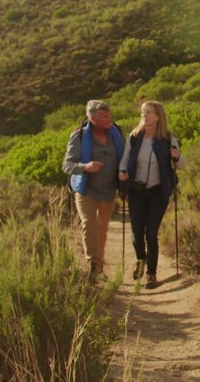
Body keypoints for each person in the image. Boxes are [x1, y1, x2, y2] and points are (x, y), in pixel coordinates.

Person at [118, 101, 184, 289]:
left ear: (158, 116)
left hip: (157, 192)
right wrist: (122, 171)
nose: (144, 116)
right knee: (136, 234)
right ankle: (141, 259)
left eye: (148, 112)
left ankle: (151, 274)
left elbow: (181, 165)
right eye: (143, 112)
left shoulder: (168, 138)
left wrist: (177, 156)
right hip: (137, 191)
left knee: (151, 233)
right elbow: (125, 160)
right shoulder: (134, 136)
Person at [62, 100, 125, 283]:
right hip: (86, 190)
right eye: (105, 117)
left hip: (108, 191)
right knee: (89, 224)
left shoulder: (117, 133)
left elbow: (126, 156)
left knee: (102, 229)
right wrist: (85, 166)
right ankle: (93, 266)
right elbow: (67, 165)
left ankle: (99, 263)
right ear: (93, 118)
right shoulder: (79, 136)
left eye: (109, 115)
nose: (110, 119)